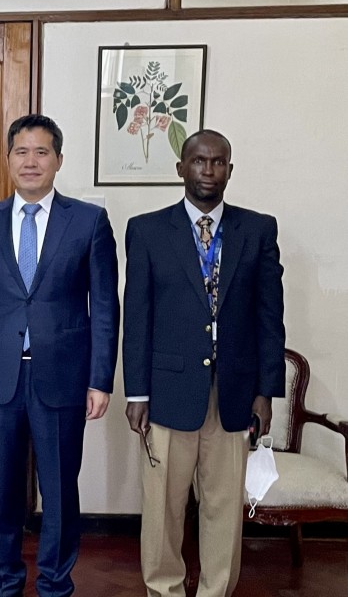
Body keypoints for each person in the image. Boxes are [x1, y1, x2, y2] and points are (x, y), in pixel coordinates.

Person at [0, 114, 119, 597]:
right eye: (21, 152)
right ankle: (4, 582)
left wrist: (100, 378)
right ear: (8, 160)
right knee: (2, 491)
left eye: (41, 152)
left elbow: (106, 306)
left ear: (59, 161)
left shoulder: (88, 221)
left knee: (60, 490)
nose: (31, 161)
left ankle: (54, 584)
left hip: (63, 378)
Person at [123, 130, 285, 597]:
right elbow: (138, 316)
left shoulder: (257, 230)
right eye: (199, 161)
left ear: (230, 170)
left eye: (218, 163)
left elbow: (269, 318)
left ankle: (216, 591)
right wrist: (137, 392)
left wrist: (265, 391)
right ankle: (165, 590)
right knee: (163, 510)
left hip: (233, 394)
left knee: (223, 509)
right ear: (181, 168)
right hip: (168, 392)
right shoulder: (148, 229)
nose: (208, 171)